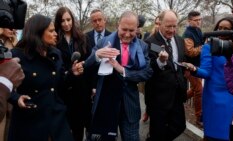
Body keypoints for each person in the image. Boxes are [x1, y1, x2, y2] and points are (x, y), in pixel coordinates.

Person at [7, 14, 84, 141]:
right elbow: (3, 84)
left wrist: (72, 73)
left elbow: (60, 85)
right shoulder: (17, 55)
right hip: (29, 120)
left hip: (56, 118)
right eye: (51, 31)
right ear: (38, 32)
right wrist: (16, 98)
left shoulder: (56, 53)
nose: (56, 34)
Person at [85, 11, 153, 141]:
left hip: (129, 105)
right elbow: (87, 67)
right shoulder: (103, 42)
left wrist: (123, 70)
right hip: (106, 102)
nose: (127, 34)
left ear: (137, 28)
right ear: (118, 25)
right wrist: (97, 55)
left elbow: (147, 72)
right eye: (124, 29)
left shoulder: (142, 46)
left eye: (131, 30)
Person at [185, 17, 233, 141]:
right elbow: (206, 72)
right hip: (214, 98)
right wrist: (194, 69)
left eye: (226, 29)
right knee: (215, 135)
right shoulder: (208, 47)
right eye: (219, 28)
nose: (221, 31)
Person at [144, 10, 187, 141]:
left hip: (177, 95)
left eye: (175, 26)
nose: (172, 30)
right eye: (168, 26)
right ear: (159, 24)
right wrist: (160, 61)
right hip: (158, 97)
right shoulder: (150, 42)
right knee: (158, 132)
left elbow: (177, 65)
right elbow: (148, 70)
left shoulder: (180, 40)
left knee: (179, 126)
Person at [54, 6, 93, 141]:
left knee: (79, 128)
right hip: (63, 90)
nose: (66, 24)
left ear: (72, 19)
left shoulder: (83, 38)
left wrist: (92, 86)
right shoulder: (55, 40)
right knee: (64, 129)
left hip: (82, 89)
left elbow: (90, 63)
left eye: (68, 19)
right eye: (62, 21)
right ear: (58, 23)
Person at [182, 11, 203, 126]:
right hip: (189, 67)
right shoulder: (188, 34)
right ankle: (199, 117)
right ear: (189, 21)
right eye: (196, 20)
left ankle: (177, 100)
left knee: (196, 89)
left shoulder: (198, 30)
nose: (199, 22)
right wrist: (203, 47)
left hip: (197, 66)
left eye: (200, 19)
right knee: (199, 90)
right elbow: (190, 52)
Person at [0, 27, 18, 141]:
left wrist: (15, 41)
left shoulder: (12, 42)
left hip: (12, 90)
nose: (12, 29)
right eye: (9, 26)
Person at [141, 15, 160, 123]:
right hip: (150, 69)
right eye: (156, 23)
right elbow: (146, 47)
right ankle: (147, 111)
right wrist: (161, 50)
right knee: (149, 94)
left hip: (162, 70)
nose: (157, 26)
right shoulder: (148, 35)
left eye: (159, 23)